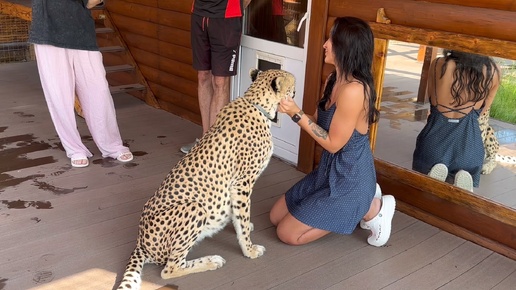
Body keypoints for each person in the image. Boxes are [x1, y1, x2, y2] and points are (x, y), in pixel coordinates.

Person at [269, 17, 396, 247]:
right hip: (328, 173)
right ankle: (362, 202)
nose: (325, 44)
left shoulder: (355, 90)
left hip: (350, 180)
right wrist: (288, 108)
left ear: (345, 47)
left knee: (287, 234)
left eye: (331, 40)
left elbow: (334, 144)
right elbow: (318, 123)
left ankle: (371, 207)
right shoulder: (333, 79)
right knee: (275, 216)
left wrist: (296, 114)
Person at [28, 0, 133, 168]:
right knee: (59, 95)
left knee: (98, 90)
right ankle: (74, 149)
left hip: (81, 32)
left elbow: (91, 2)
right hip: (47, 33)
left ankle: (112, 145)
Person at [412, 50, 500, 191]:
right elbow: (481, 112)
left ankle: (434, 183)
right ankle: (461, 186)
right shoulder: (493, 72)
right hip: (468, 146)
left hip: (433, 142)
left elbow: (431, 97)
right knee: (459, 194)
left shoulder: (438, 64)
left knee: (427, 192)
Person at [181, 0, 253, 154]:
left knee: (220, 81)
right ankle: (204, 140)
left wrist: (237, 7)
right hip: (199, 14)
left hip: (226, 18)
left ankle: (214, 145)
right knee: (203, 76)